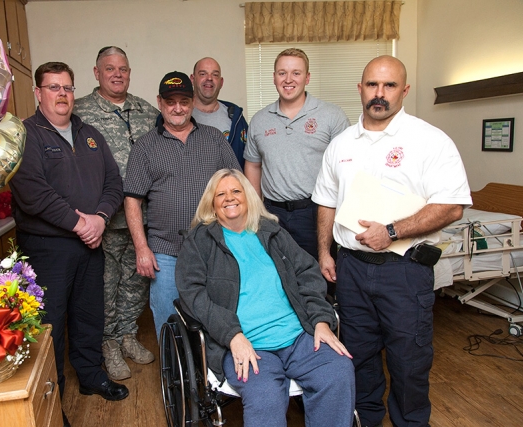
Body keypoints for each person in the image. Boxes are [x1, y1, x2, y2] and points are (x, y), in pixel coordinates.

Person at [312, 56, 472, 427]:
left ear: (404, 90)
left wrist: (393, 231)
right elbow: (326, 200)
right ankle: (366, 419)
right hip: (351, 270)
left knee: (409, 360)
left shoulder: (429, 140)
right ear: (360, 88)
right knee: (358, 355)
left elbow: (452, 206)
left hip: (404, 270)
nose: (379, 94)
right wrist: (325, 251)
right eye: (372, 85)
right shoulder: (340, 144)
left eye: (389, 86)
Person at [175, 169, 355, 427]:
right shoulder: (199, 242)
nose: (230, 198)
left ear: (248, 196)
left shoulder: (271, 232)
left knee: (337, 372)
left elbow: (307, 272)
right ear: (212, 204)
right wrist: (232, 336)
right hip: (246, 344)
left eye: (236, 191)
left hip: (297, 336)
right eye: (221, 194)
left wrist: (320, 321)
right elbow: (193, 296)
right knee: (265, 394)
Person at [9, 62, 129, 421]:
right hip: (48, 248)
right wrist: (81, 223)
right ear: (39, 93)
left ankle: (91, 377)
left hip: (91, 242)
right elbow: (34, 195)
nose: (62, 94)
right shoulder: (25, 136)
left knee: (88, 315)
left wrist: (101, 219)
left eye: (67, 88)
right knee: (50, 325)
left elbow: (114, 183)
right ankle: (51, 397)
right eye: (54, 87)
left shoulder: (90, 134)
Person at [124, 71, 241, 340]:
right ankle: (176, 380)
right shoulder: (145, 146)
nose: (178, 108)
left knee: (219, 320)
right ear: (160, 103)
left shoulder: (214, 139)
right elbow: (132, 201)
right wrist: (142, 249)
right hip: (165, 253)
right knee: (169, 326)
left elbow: (237, 187)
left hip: (213, 250)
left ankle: (215, 378)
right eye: (170, 102)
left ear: (193, 102)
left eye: (184, 101)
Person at [74, 46, 158, 381]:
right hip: (103, 220)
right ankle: (108, 343)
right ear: (96, 72)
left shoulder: (147, 111)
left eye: (123, 68)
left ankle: (127, 334)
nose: (117, 74)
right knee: (105, 287)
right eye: (109, 68)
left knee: (137, 284)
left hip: (143, 219)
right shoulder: (80, 113)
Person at [244, 48, 349, 261]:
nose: (288, 79)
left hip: (316, 213)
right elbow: (253, 165)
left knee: (319, 278)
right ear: (274, 78)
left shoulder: (332, 116)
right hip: (273, 214)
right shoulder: (259, 120)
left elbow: (346, 167)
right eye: (282, 73)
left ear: (307, 78)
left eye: (296, 73)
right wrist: (257, 212)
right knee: (277, 279)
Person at [190, 57, 248, 168]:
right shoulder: (178, 116)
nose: (209, 78)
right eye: (203, 74)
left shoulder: (236, 117)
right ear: (192, 79)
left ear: (221, 82)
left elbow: (251, 161)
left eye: (215, 75)